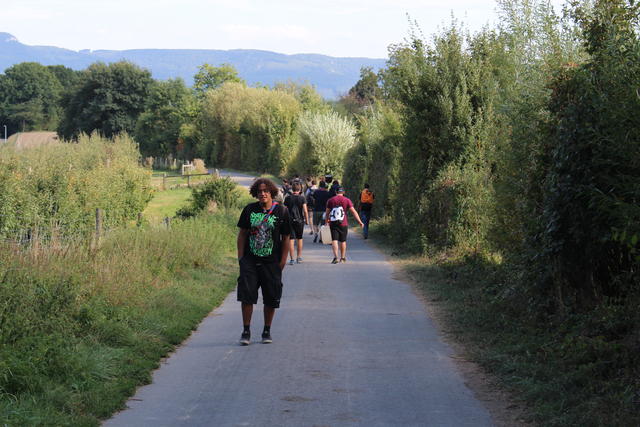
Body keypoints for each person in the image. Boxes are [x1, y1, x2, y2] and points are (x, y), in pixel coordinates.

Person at [237, 178, 291, 345]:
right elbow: (242, 235)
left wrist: (282, 261)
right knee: (247, 296)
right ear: (255, 193)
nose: (262, 194)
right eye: (259, 191)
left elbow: (286, 237)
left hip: (271, 262)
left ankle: (266, 330)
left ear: (272, 192)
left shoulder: (282, 211)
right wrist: (241, 258)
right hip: (250, 261)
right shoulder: (249, 210)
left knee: (271, 297)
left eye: (266, 191)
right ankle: (246, 331)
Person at [325, 186, 364, 264]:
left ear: (336, 192)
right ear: (343, 192)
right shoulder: (347, 200)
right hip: (344, 223)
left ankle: (336, 257)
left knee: (334, 240)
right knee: (343, 241)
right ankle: (342, 258)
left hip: (333, 222)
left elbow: (327, 213)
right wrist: (359, 221)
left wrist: (327, 221)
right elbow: (353, 212)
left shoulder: (331, 200)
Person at [284, 181, 309, 264]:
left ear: (292, 189)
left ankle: (292, 259)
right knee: (299, 239)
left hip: (289, 221)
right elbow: (305, 211)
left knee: (291, 240)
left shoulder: (288, 198)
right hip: (299, 221)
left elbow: (284, 210)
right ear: (300, 189)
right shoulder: (302, 198)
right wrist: (307, 220)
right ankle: (299, 257)